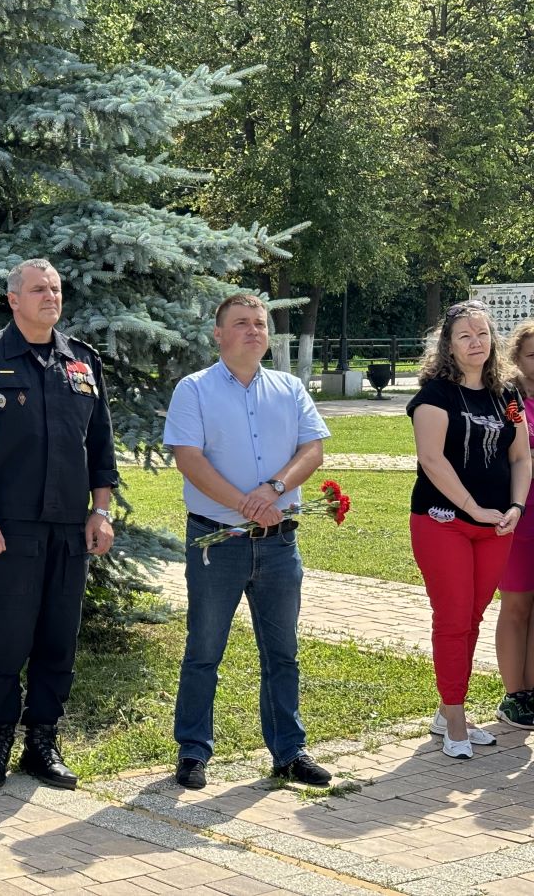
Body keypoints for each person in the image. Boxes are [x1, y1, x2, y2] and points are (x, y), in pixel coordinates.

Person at [0, 257, 118, 791]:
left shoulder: (81, 363)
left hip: (69, 528)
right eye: (39, 289)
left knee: (58, 640)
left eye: (56, 289)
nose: (51, 296)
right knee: (7, 638)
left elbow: (101, 445)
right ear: (13, 299)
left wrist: (102, 509)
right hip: (8, 528)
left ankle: (42, 741)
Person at [162, 293, 331, 790]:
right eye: (242, 323)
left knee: (282, 653)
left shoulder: (289, 387)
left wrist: (274, 489)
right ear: (219, 335)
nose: (255, 330)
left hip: (279, 545)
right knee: (204, 650)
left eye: (260, 323)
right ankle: (193, 751)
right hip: (218, 544)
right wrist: (244, 503)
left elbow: (313, 448)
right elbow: (189, 459)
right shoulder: (193, 390)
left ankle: (288, 751)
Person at [408, 300, 530, 758]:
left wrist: (515, 505)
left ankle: (446, 709)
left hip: (498, 525)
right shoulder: (434, 396)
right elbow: (432, 460)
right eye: (465, 336)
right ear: (449, 345)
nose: (475, 342)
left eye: (482, 333)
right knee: (454, 617)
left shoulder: (508, 396)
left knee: (473, 617)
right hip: (444, 522)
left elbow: (520, 456)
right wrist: (473, 509)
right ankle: (455, 717)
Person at [497, 320, 534, 730]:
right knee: (517, 606)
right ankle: (514, 695)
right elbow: (514, 456)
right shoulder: (510, 401)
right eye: (532, 354)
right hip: (520, 516)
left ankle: (532, 690)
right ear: (517, 359)